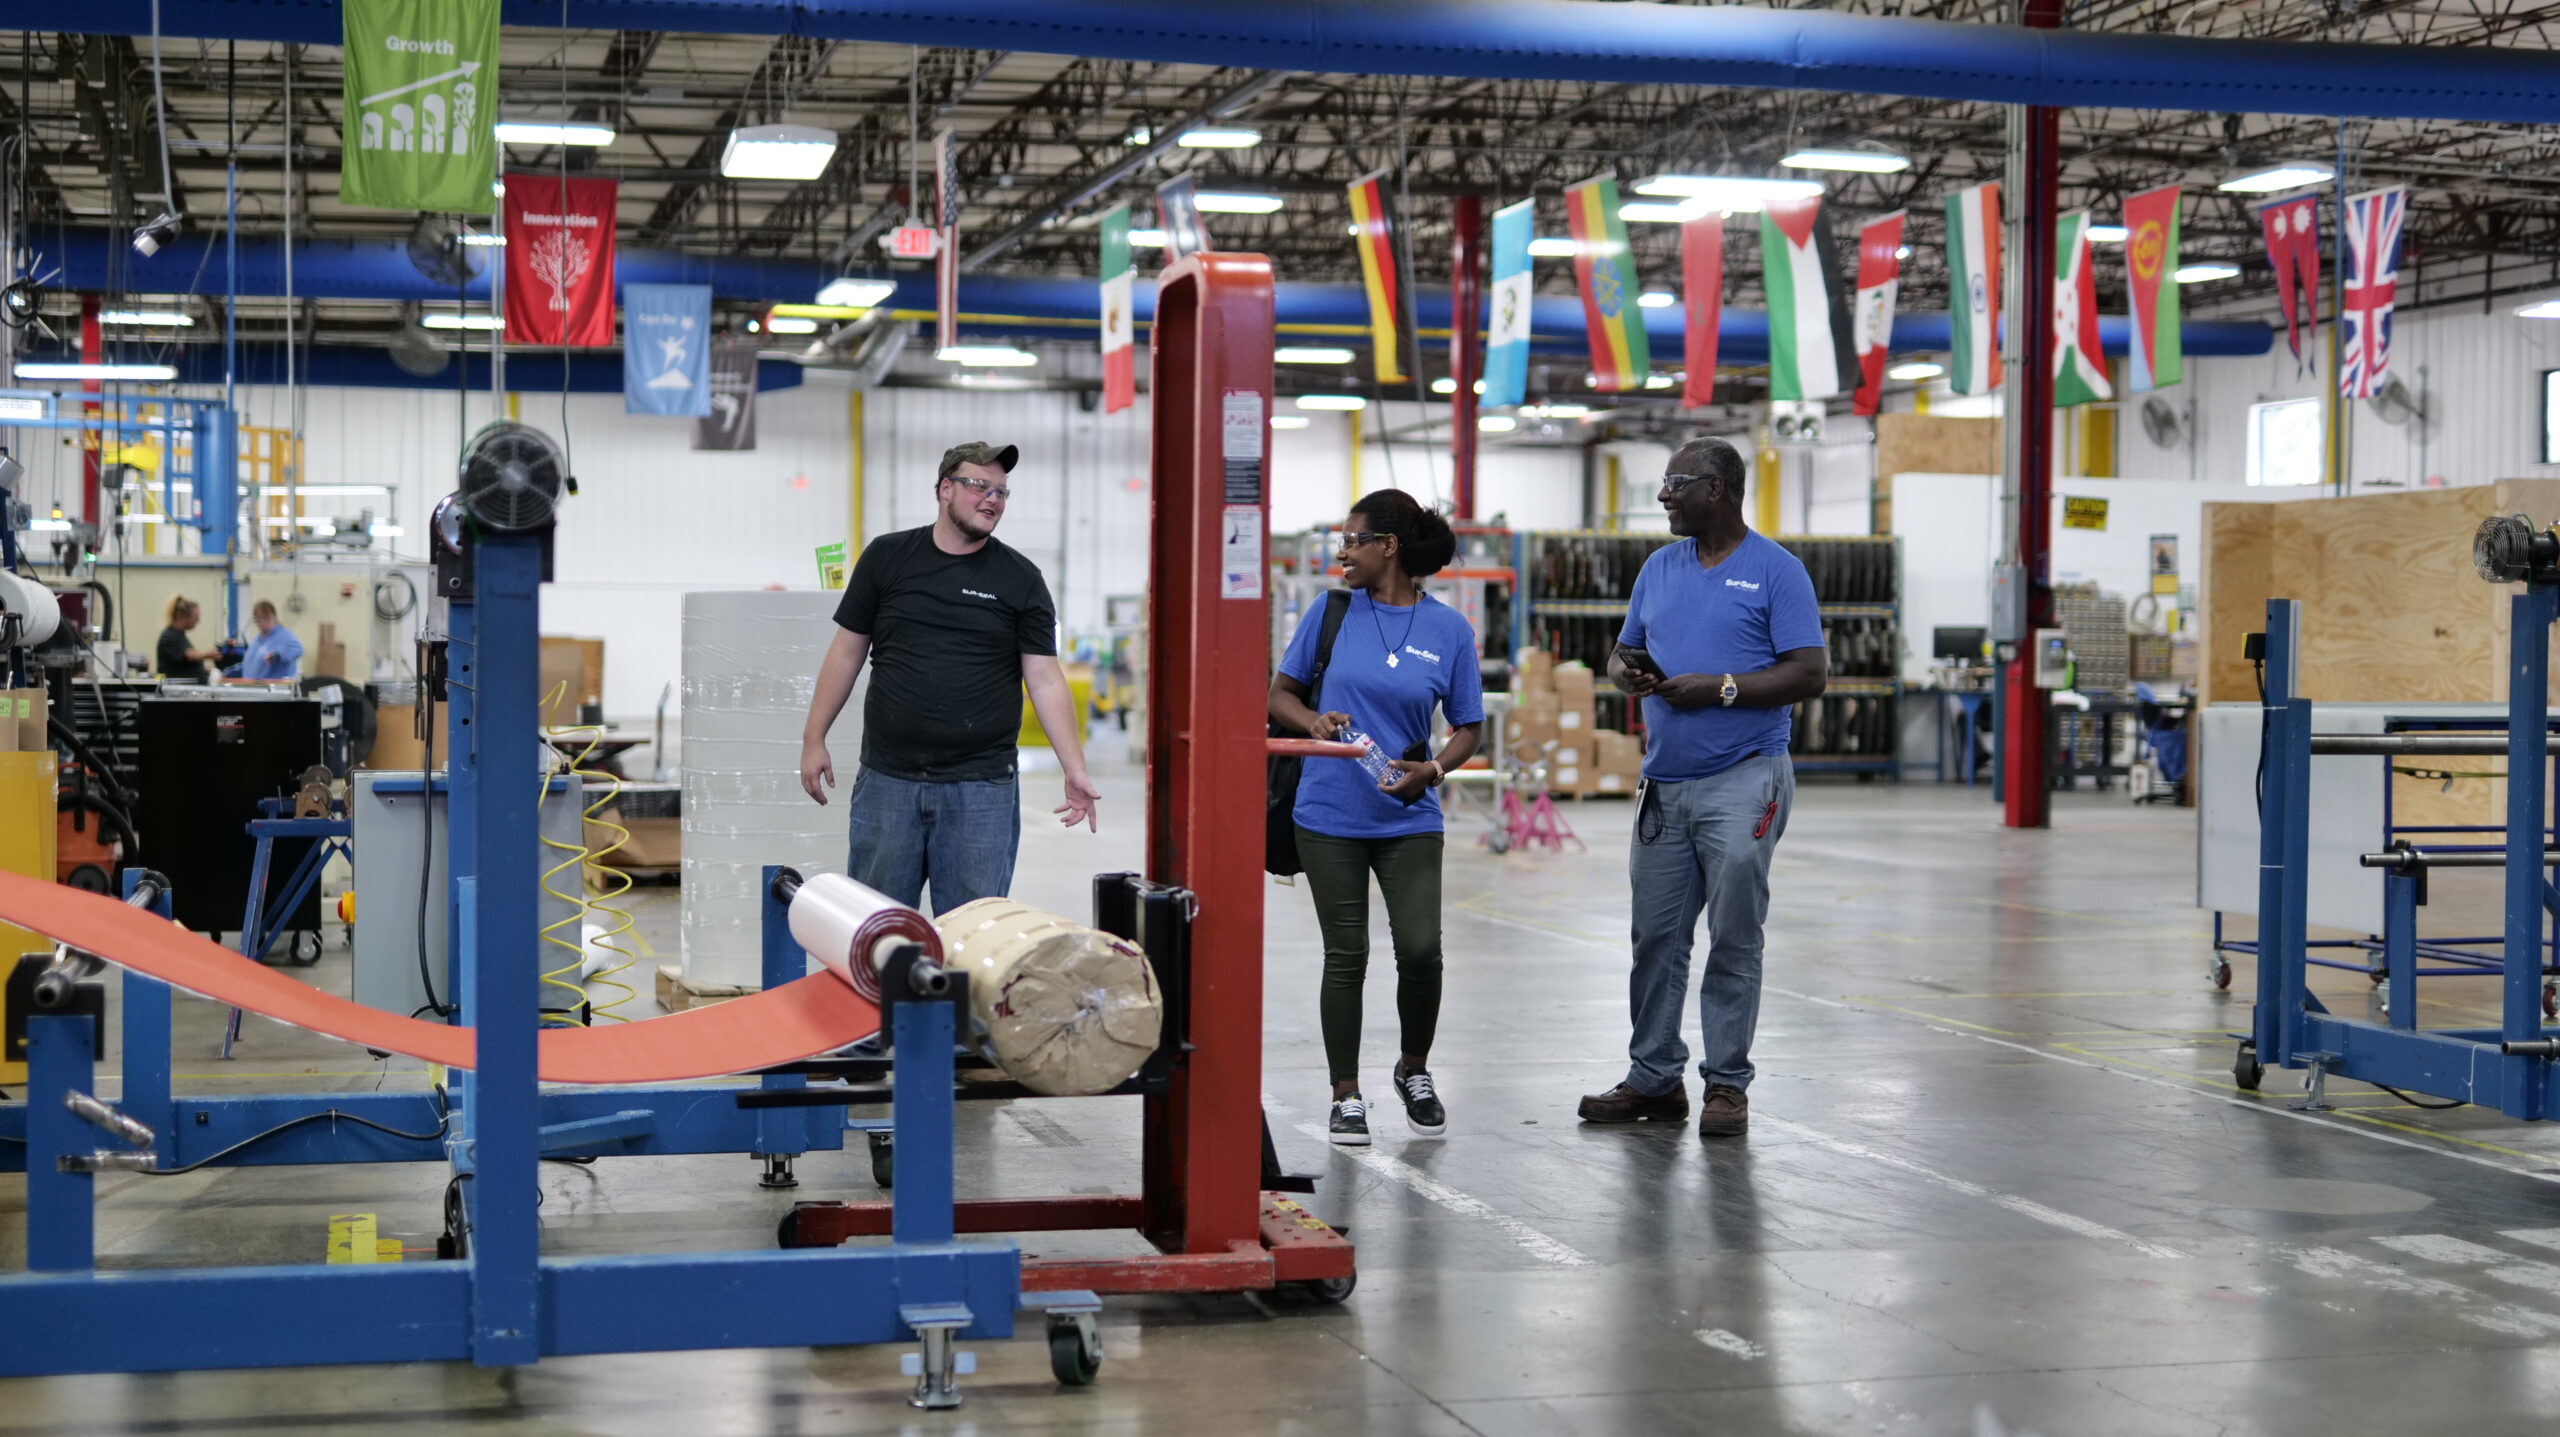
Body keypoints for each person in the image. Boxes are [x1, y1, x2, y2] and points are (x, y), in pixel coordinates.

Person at [1578, 436, 1827, 1139]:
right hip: (1666, 780)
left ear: (1715, 489)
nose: (1662, 496)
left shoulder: (1777, 572)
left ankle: (1727, 1083)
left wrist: (1720, 688)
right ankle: (1655, 1077)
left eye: (1673, 483)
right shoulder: (1659, 568)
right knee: (1655, 939)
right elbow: (1624, 647)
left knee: (1734, 936)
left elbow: (1810, 673)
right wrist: (1625, 669)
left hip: (1744, 777)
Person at [798, 440, 1100, 917]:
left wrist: (1074, 767)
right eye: (979, 485)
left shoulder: (1021, 578)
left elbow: (1044, 679)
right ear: (944, 489)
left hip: (980, 788)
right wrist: (814, 736)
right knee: (876, 929)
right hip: (888, 781)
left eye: (1001, 491)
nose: (992, 499)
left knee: (972, 935)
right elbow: (847, 651)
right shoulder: (887, 558)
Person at [1268, 489, 1483, 1146]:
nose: (1342, 552)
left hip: (1408, 812)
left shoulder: (1449, 630)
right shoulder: (1330, 613)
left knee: (1421, 948)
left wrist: (1436, 769)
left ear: (1387, 547)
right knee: (1348, 952)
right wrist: (1313, 720)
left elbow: (1468, 725)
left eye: (1352, 539)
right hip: (1328, 809)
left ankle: (1413, 1068)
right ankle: (1345, 1092)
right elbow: (1280, 694)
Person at [227, 599, 303, 681]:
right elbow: (248, 666)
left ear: (275, 618)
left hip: (275, 690)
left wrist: (277, 655)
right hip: (252, 689)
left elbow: (298, 649)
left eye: (266, 618)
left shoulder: (284, 636)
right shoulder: (256, 640)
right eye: (258, 619)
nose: (262, 623)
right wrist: (227, 673)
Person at [155, 595, 221, 684]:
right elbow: (189, 655)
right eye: (196, 617)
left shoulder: (179, 636)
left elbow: (183, 663)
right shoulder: (169, 636)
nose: (198, 621)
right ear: (183, 616)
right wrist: (208, 654)